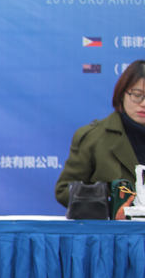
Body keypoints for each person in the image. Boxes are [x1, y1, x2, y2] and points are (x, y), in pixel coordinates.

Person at [55, 60, 145, 207]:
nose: (143, 103)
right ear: (122, 94)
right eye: (137, 95)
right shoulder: (94, 138)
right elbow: (65, 191)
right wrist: (109, 207)